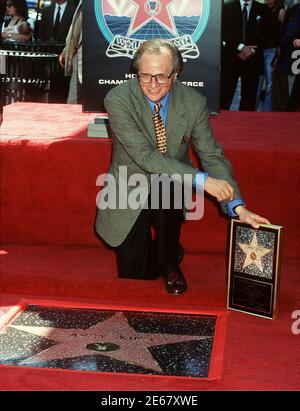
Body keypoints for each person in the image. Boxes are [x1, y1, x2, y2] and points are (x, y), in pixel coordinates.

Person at [95, 39, 270, 296]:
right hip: (129, 184)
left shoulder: (193, 102)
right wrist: (203, 181)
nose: (152, 85)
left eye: (161, 76)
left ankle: (169, 261)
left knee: (170, 181)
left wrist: (237, 205)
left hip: (171, 185)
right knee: (135, 275)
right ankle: (167, 251)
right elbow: (146, 156)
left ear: (175, 74)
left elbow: (211, 154)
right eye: (145, 75)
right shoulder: (118, 98)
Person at [221, 0, 269, 111]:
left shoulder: (262, 9)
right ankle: (222, 125)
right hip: (231, 58)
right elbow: (223, 32)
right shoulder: (227, 8)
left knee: (249, 99)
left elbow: (267, 33)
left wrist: (251, 51)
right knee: (225, 96)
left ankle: (248, 126)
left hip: (253, 60)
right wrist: (241, 47)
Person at [256, 0, 285, 111]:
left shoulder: (280, 11)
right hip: (259, 50)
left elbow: (284, 32)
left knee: (270, 85)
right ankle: (252, 112)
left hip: (272, 50)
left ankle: (268, 112)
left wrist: (279, 51)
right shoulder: (261, 9)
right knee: (257, 83)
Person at [59, 0, 82, 104]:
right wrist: (67, 49)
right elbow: (76, 27)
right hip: (82, 53)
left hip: (101, 51)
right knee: (73, 101)